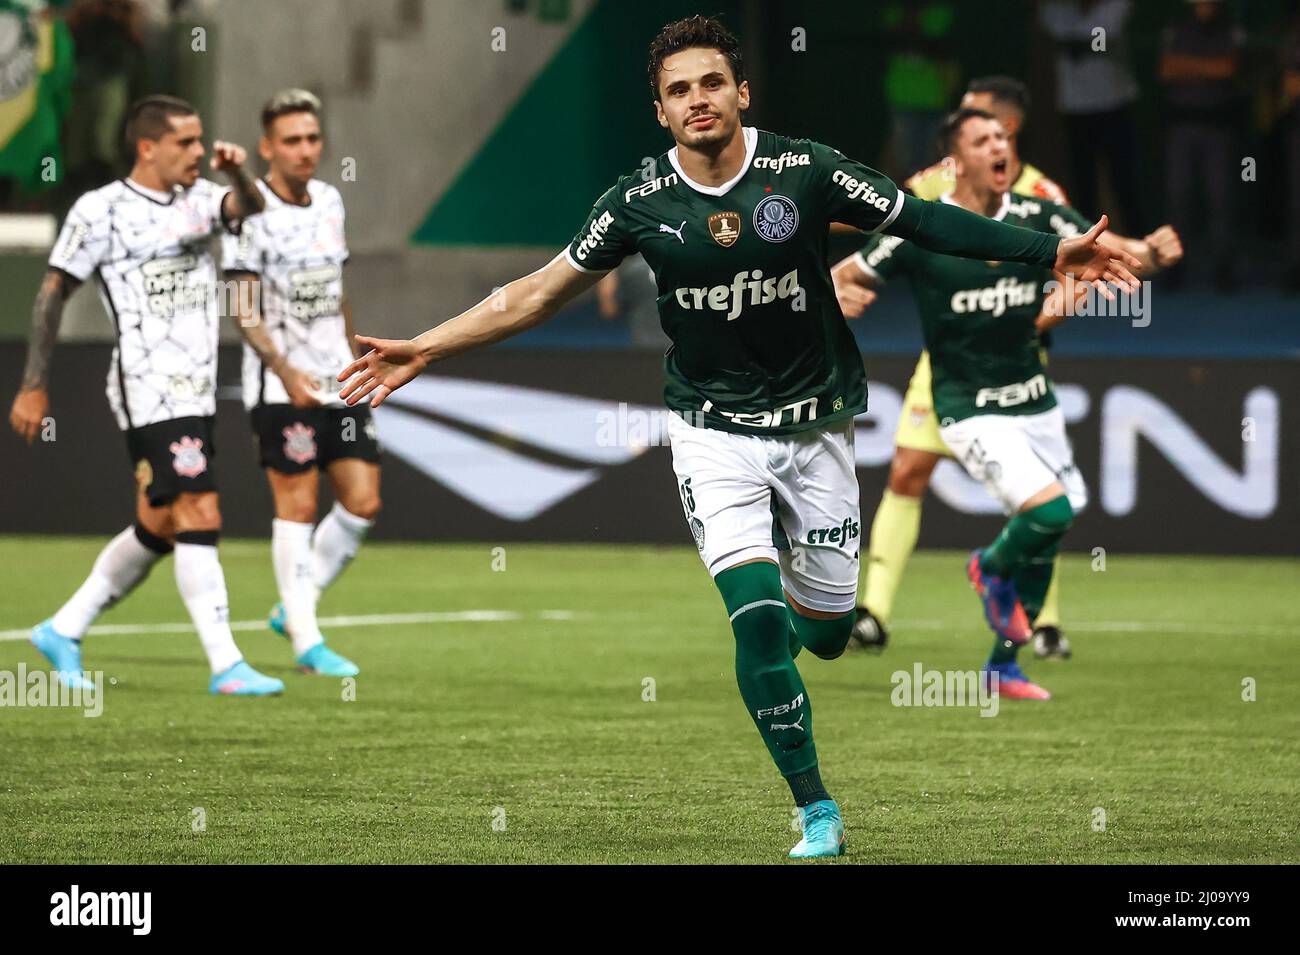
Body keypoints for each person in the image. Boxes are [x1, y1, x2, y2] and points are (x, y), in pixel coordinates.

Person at [335, 17, 1139, 858]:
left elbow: (928, 222)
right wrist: (424, 344)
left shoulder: (807, 169)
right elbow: (533, 294)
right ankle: (815, 807)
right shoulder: (639, 202)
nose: (697, 100)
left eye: (711, 82)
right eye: (678, 90)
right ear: (659, 110)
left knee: (824, 634)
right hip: (711, 430)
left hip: (817, 426)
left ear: (741, 91)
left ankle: (789, 647)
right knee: (754, 619)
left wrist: (1049, 251)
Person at [846, 76, 1182, 660]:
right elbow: (870, 237)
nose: (988, 141)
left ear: (1012, 132)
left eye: (992, 127)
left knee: (1049, 506)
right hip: (950, 368)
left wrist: (1150, 252)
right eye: (975, 131)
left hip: (1020, 368)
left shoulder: (1039, 198)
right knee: (909, 472)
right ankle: (874, 609)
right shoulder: (928, 191)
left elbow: (1098, 255)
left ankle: (1036, 627)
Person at [9, 95, 282, 696]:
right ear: (147, 147)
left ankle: (63, 627)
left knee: (159, 523)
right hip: (148, 388)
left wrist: (237, 170)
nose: (197, 153)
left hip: (199, 390)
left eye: (200, 141)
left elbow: (253, 204)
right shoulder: (101, 209)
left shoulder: (203, 199)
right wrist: (33, 384)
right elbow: (53, 292)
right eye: (186, 143)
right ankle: (226, 663)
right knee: (200, 510)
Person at [834, 108, 1108, 698]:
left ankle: (1002, 664)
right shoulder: (927, 228)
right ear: (957, 161)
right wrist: (832, 293)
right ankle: (984, 569)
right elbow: (850, 273)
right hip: (965, 403)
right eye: (983, 140)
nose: (999, 147)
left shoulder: (1039, 216)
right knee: (1050, 513)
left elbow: (1089, 253)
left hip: (1035, 399)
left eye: (1005, 137)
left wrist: (1080, 284)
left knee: (1048, 532)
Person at [222, 89, 377, 678]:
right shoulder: (246, 211)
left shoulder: (331, 201)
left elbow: (335, 289)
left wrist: (355, 350)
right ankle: (308, 642)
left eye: (313, 138)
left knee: (363, 502)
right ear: (267, 147)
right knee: (298, 505)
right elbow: (240, 305)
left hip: (337, 378)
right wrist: (284, 372)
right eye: (292, 140)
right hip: (280, 388)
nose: (306, 149)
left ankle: (295, 608)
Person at [1159, 0, 1244, 291]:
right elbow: (1167, 69)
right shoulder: (1177, 25)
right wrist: (1206, 67)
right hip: (1181, 125)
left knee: (1220, 198)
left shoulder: (1229, 26)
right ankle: (1175, 266)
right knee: (1178, 198)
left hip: (1218, 126)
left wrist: (1188, 65)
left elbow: (1227, 69)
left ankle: (1224, 267)